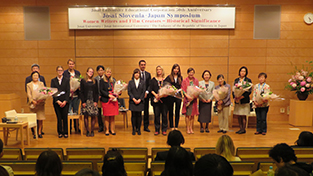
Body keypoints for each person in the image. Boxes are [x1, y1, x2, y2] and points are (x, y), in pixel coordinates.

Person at [25, 63, 46, 136]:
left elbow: (44, 92)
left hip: (40, 103)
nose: (35, 77)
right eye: (34, 75)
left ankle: (39, 132)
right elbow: (28, 93)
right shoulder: (29, 84)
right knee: (33, 118)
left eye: (37, 75)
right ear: (32, 76)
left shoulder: (41, 83)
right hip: (32, 103)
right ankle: (34, 133)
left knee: (40, 118)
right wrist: (32, 101)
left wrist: (42, 99)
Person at [51, 66, 70, 138]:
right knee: (59, 117)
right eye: (58, 70)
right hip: (57, 102)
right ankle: (60, 132)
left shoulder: (66, 80)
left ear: (63, 71)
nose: (60, 72)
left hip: (65, 102)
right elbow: (52, 92)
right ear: (56, 71)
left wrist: (65, 101)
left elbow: (68, 91)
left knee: (65, 117)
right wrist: (58, 101)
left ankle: (65, 132)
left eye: (61, 70)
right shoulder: (53, 80)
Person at [63, 58, 81, 133]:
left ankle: (77, 127)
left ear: (74, 65)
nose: (71, 65)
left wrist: (76, 87)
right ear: (68, 64)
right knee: (69, 112)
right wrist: (69, 89)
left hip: (76, 95)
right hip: (68, 96)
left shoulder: (77, 73)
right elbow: (64, 83)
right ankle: (69, 128)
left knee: (76, 112)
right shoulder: (65, 73)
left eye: (72, 64)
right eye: (70, 64)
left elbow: (80, 82)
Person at [233, 66, 252, 134]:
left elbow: (249, 91)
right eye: (241, 71)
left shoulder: (248, 80)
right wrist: (235, 97)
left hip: (244, 100)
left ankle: (243, 129)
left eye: (244, 71)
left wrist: (242, 96)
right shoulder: (236, 80)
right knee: (239, 115)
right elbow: (233, 90)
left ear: (246, 72)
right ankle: (240, 128)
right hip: (238, 101)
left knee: (243, 115)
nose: (242, 72)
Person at [80, 67, 99, 137]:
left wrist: (96, 101)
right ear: (87, 72)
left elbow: (97, 92)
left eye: (92, 72)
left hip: (93, 100)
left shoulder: (95, 81)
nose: (91, 73)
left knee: (93, 116)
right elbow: (81, 92)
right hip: (86, 100)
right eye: (89, 71)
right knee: (86, 115)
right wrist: (83, 102)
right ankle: (87, 130)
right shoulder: (83, 81)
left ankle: (92, 130)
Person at [100, 67, 118, 136]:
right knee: (107, 116)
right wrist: (108, 95)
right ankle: (107, 130)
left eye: (110, 72)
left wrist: (118, 92)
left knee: (112, 116)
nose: (109, 73)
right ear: (105, 72)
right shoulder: (102, 80)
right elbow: (101, 90)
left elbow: (116, 89)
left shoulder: (113, 80)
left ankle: (112, 130)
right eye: (107, 72)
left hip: (113, 100)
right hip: (106, 100)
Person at [150, 65, 168, 135]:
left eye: (160, 69)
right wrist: (156, 95)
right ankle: (157, 129)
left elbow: (168, 89)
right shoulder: (153, 80)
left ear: (162, 70)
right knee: (156, 115)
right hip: (156, 100)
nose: (158, 71)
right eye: (157, 69)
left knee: (164, 115)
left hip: (164, 101)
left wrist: (163, 94)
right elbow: (151, 89)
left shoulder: (165, 80)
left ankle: (164, 129)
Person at [164, 64, 183, 130]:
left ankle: (176, 126)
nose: (176, 70)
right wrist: (171, 89)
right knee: (171, 111)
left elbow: (181, 86)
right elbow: (166, 85)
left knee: (177, 111)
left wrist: (179, 90)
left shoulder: (180, 77)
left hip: (178, 96)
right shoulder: (169, 77)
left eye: (177, 69)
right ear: (172, 69)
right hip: (171, 96)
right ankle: (171, 126)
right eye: (175, 69)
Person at [128, 68, 145, 135]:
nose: (137, 74)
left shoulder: (143, 82)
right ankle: (133, 129)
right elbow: (129, 92)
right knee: (133, 115)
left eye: (138, 73)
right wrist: (134, 99)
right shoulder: (130, 82)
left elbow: (143, 92)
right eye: (135, 73)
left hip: (140, 101)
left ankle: (139, 129)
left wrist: (140, 99)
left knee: (139, 115)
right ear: (134, 74)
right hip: (133, 101)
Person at [182, 68, 199, 134]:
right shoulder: (184, 80)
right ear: (188, 73)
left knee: (192, 115)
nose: (191, 74)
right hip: (187, 100)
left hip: (193, 100)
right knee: (187, 115)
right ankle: (187, 128)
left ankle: (191, 128)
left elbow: (197, 89)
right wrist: (187, 96)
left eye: (192, 72)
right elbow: (183, 90)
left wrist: (194, 96)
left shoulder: (196, 80)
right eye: (190, 72)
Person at [139, 60, 151, 132]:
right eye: (141, 65)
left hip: (146, 96)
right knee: (139, 111)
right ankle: (138, 126)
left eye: (144, 65)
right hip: (139, 96)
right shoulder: (136, 73)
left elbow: (149, 85)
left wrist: (147, 92)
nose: (143, 66)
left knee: (146, 111)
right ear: (139, 66)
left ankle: (146, 127)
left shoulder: (148, 74)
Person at [94, 65, 105, 132]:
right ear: (97, 72)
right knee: (98, 113)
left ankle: (107, 126)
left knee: (105, 112)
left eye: (101, 70)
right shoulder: (95, 79)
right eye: (99, 70)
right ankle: (100, 126)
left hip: (105, 97)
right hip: (97, 98)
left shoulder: (106, 78)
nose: (100, 72)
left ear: (103, 71)